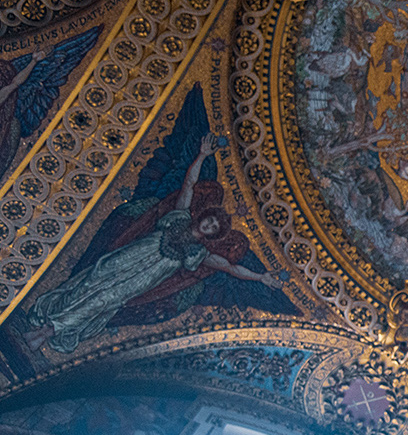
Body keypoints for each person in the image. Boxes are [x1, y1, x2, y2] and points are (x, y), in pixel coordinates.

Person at [21, 132, 278, 352]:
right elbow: (189, 184)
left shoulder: (198, 253)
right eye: (209, 220)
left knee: (105, 299)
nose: (208, 225)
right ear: (204, 216)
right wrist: (201, 155)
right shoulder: (180, 216)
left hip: (144, 278)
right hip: (133, 255)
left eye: (213, 228)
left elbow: (230, 267)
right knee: (93, 279)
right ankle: (52, 315)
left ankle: (49, 330)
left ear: (213, 234)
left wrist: (260, 278)